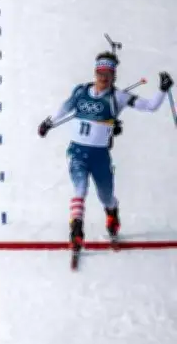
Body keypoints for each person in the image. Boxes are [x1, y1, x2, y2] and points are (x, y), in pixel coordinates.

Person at [37, 51, 173, 250]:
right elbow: (64, 109)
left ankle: (111, 212)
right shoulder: (81, 91)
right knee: (80, 189)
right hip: (78, 152)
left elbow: (150, 107)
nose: (104, 78)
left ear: (114, 76)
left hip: (100, 156)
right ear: (95, 73)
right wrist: (48, 123)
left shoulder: (118, 97)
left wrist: (163, 90)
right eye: (101, 74)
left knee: (105, 196)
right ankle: (76, 229)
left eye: (108, 75)